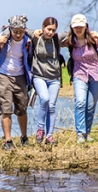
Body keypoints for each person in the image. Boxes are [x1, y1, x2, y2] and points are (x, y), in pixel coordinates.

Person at [0, 15, 32, 150]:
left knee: (22, 108)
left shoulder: (27, 40)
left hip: (20, 76)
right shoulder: (3, 37)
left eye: (21, 31)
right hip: (3, 76)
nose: (18, 34)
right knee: (5, 108)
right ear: (11, 29)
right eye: (15, 32)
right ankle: (8, 140)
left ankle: (24, 137)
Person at [67, 14, 98, 143]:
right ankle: (80, 134)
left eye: (81, 27)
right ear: (72, 28)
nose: (78, 29)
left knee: (90, 106)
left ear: (85, 26)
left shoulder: (93, 40)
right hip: (79, 75)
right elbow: (52, 38)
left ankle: (87, 133)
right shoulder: (70, 41)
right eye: (76, 27)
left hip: (96, 75)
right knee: (80, 102)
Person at [25, 17, 68, 146]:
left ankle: (49, 136)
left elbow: (73, 31)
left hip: (54, 78)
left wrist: (91, 32)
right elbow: (23, 29)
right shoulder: (36, 36)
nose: (50, 32)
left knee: (52, 106)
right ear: (43, 27)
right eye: (48, 29)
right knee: (44, 99)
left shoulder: (57, 38)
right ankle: (40, 130)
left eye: (53, 30)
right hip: (39, 76)